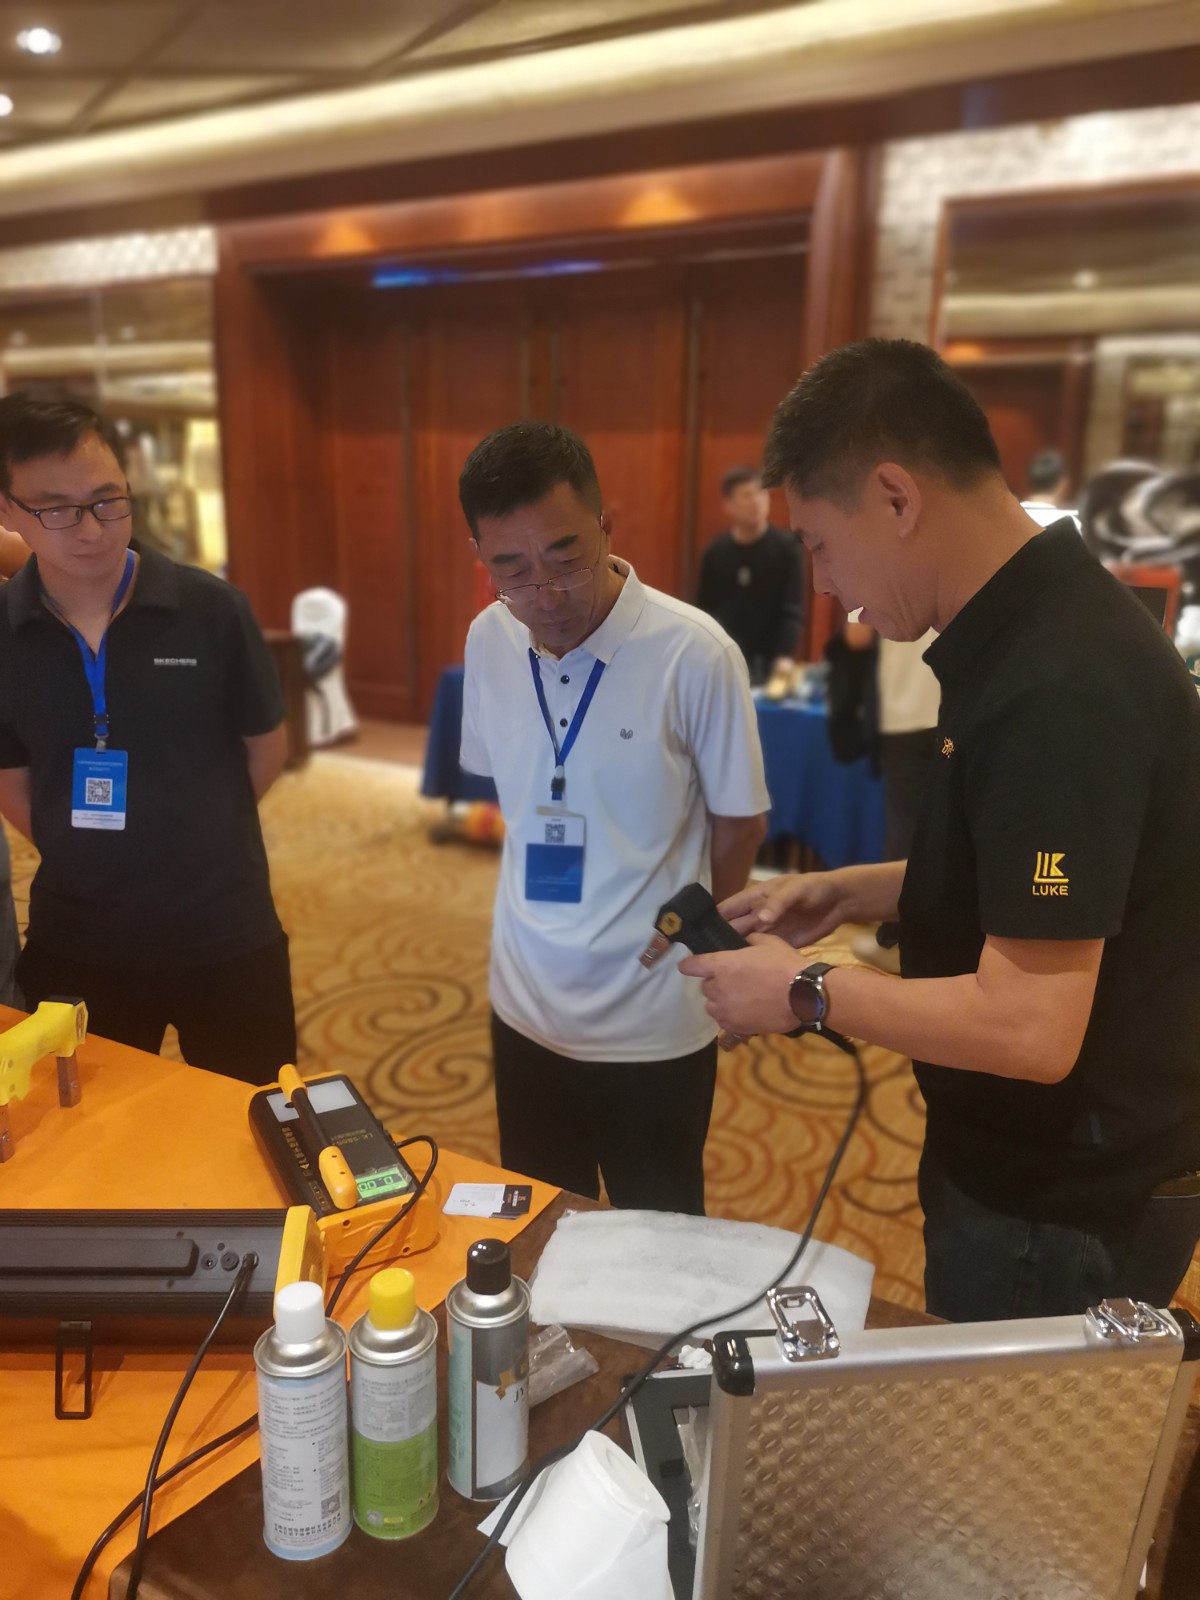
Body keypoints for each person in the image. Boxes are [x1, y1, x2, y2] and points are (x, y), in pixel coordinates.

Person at [679, 338, 1200, 1321]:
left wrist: (805, 990)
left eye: (819, 544)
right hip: (1035, 1152)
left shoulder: (1059, 682)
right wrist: (853, 889)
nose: (823, 584)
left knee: (1008, 1422)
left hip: (1063, 1191)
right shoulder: (1026, 625)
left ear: (896, 498)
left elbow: (1031, 1028)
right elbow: (1045, 871)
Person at [459, 422, 768, 1214]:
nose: (544, 593)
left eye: (566, 557)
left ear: (607, 527)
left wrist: (698, 929)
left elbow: (740, 824)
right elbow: (516, 795)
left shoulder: (694, 653)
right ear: (481, 557)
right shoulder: (489, 640)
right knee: (539, 1220)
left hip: (651, 1017)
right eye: (512, 569)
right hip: (524, 1004)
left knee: (656, 1237)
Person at [0, 393, 296, 1083]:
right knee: (82, 1131)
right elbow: (11, 780)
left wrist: (188, 836)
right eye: (57, 509)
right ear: (8, 511)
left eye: (107, 500)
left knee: (251, 1121)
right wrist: (88, 848)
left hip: (225, 931)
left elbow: (266, 748)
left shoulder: (212, 610)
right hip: (78, 940)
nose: (92, 530)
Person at [696, 465, 804, 685]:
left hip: (770, 662)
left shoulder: (787, 549)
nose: (756, 501)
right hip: (724, 659)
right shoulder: (715, 553)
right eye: (747, 495)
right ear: (728, 505)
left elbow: (792, 610)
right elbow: (705, 611)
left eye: (761, 493)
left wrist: (784, 656)